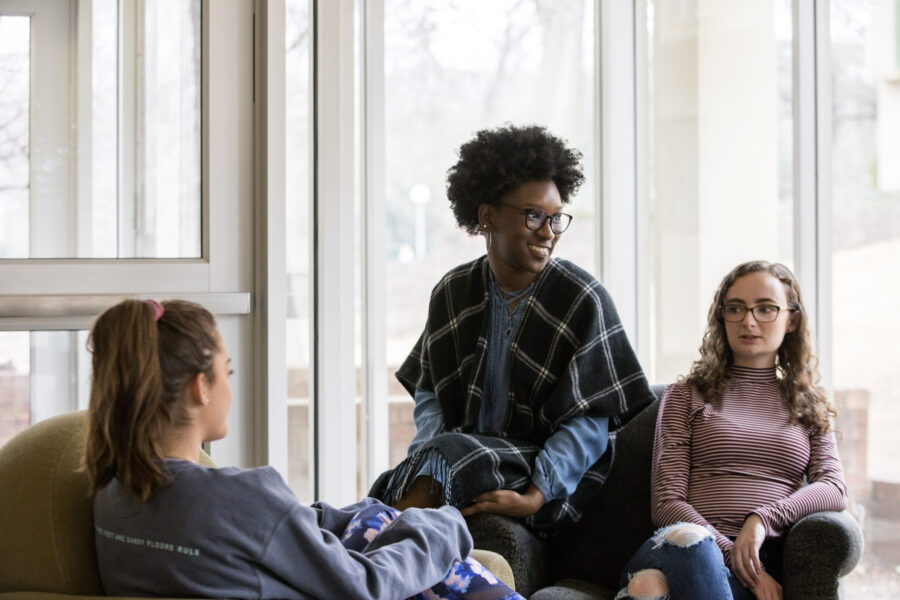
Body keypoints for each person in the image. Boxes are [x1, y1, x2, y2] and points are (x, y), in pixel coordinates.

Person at [85, 299, 524, 600]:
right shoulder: (236, 497)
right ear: (201, 387)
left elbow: (263, 530)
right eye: (227, 371)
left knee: (374, 517)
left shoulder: (111, 491)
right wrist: (440, 524)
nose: (229, 387)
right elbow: (365, 588)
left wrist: (369, 516)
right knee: (435, 555)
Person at [370, 124, 654, 533]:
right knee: (397, 483)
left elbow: (590, 422)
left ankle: (369, 566)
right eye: (534, 215)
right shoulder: (453, 292)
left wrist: (536, 494)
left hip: (542, 470)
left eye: (556, 219)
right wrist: (427, 456)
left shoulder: (581, 298)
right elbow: (431, 394)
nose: (547, 233)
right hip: (459, 456)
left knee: (434, 472)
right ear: (487, 216)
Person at [618, 261, 847, 600]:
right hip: (680, 544)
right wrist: (739, 561)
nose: (748, 321)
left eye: (766, 308)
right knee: (691, 541)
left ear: (792, 319)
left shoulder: (808, 403)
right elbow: (667, 503)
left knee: (648, 588)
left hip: (758, 559)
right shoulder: (686, 395)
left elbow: (833, 487)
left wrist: (762, 520)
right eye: (736, 308)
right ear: (722, 317)